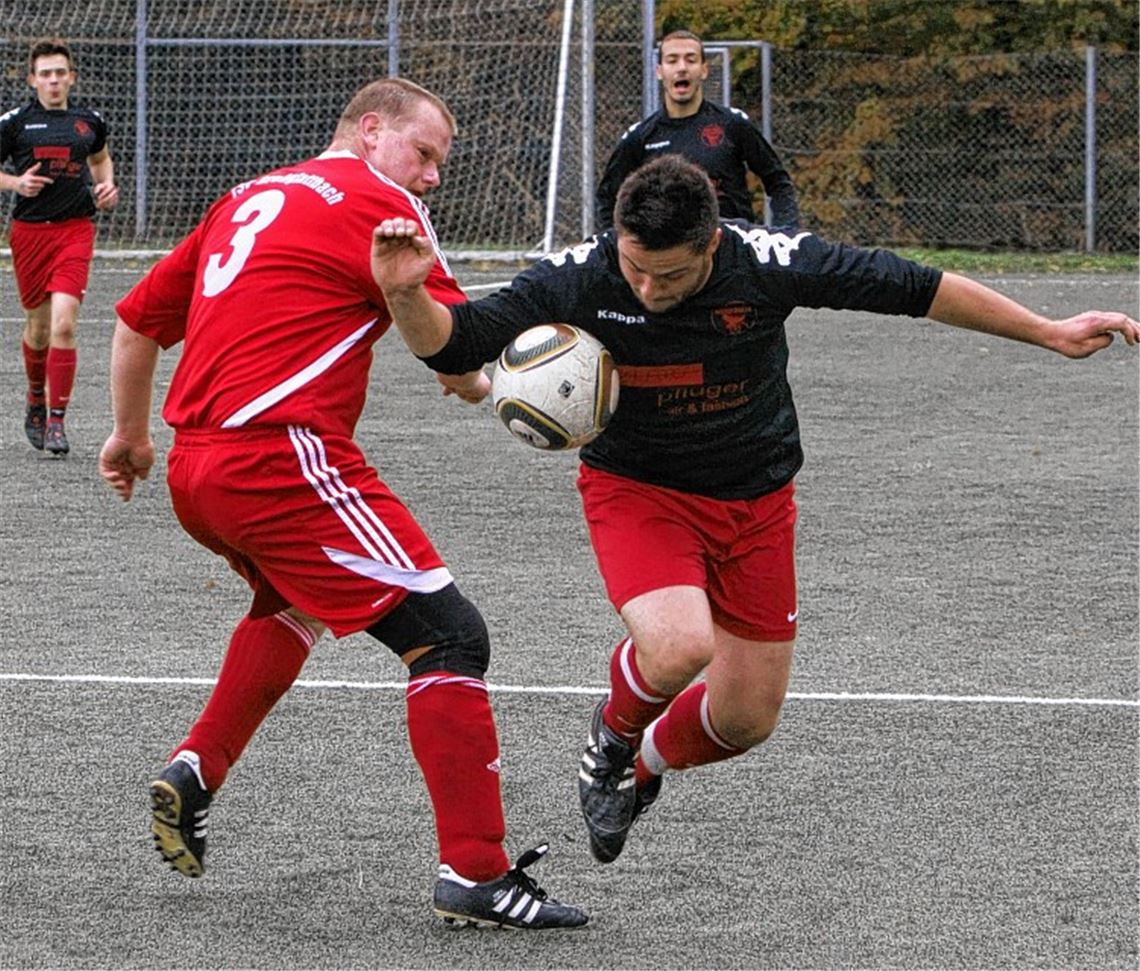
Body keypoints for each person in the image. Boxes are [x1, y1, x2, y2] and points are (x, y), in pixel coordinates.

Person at [370, 153, 1139, 865]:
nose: (646, 289)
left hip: (759, 499)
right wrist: (408, 292)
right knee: (677, 649)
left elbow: (915, 287)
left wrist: (1046, 330)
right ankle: (612, 732)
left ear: (711, 248)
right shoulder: (582, 275)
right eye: (636, 268)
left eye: (667, 277)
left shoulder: (766, 263)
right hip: (641, 492)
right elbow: (454, 345)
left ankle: (638, 770)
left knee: (745, 719)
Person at [97, 77, 586, 929]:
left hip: (194, 471)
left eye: (438, 162)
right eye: (425, 153)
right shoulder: (381, 203)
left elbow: (137, 321)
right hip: (279, 460)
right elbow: (454, 346)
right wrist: (479, 381)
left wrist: (129, 437)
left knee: (293, 600)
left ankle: (197, 765)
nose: (430, 177)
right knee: (448, 632)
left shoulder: (248, 194)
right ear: (370, 131)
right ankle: (477, 870)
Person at [1, 37, 118, 456]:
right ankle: (36, 396)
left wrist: (105, 186)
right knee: (38, 328)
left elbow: (100, 159)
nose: (53, 81)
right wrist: (16, 183)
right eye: (45, 74)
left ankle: (57, 420)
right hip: (30, 233)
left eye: (60, 73)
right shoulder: (14, 123)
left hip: (75, 229)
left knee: (64, 324)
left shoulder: (89, 121)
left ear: (72, 77)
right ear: (33, 79)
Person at [595, 29, 798, 233]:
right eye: (672, 60)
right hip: (670, 257)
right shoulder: (640, 137)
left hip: (731, 254)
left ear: (704, 70)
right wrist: (617, 247)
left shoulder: (733, 124)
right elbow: (606, 198)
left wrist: (786, 233)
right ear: (659, 71)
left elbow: (778, 182)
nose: (682, 68)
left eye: (691, 60)